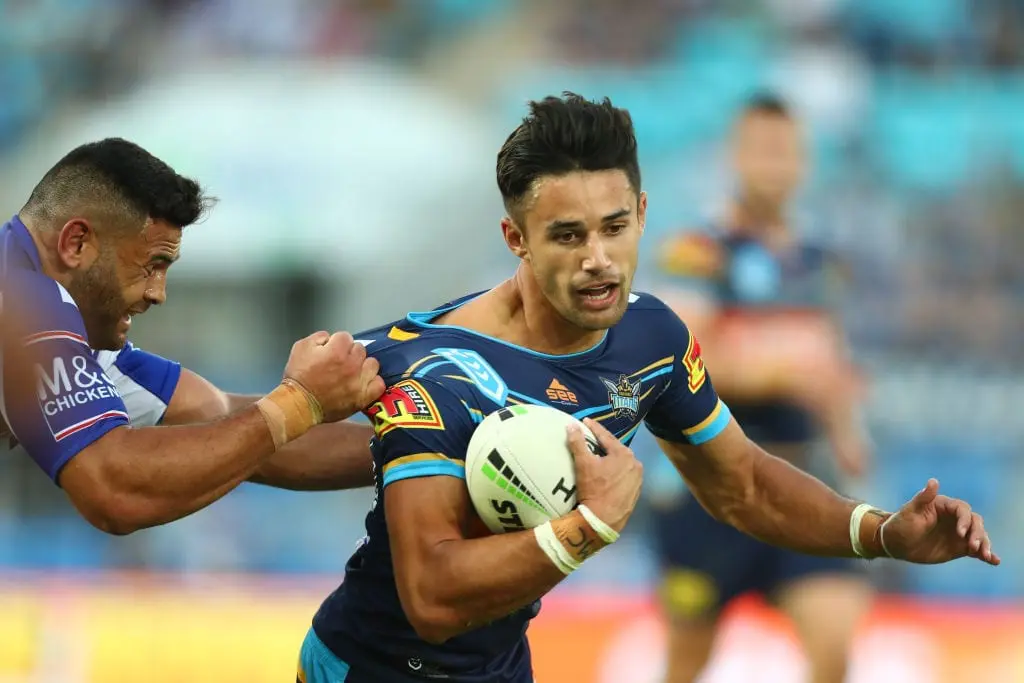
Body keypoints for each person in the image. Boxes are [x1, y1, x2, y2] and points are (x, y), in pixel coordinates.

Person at [295, 93, 999, 683]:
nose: (599, 259)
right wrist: (589, 526)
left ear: (642, 211)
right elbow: (432, 600)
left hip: (501, 666)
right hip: (369, 667)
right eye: (567, 236)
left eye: (615, 227)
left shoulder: (653, 338)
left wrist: (882, 530)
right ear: (516, 238)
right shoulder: (436, 367)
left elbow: (744, 483)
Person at [0, 138, 382, 536]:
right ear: (76, 243)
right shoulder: (25, 299)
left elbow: (221, 417)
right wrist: (298, 403)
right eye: (151, 265)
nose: (157, 293)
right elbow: (113, 490)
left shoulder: (56, 322)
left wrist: (411, 444)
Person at [648, 94, 873, 683]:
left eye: (786, 152)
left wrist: (849, 436)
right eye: (763, 150)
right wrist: (782, 372)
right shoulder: (698, 251)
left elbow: (830, 358)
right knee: (688, 659)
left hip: (800, 478)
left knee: (833, 642)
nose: (775, 165)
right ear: (736, 157)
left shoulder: (819, 262)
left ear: (804, 162)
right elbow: (682, 360)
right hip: (708, 487)